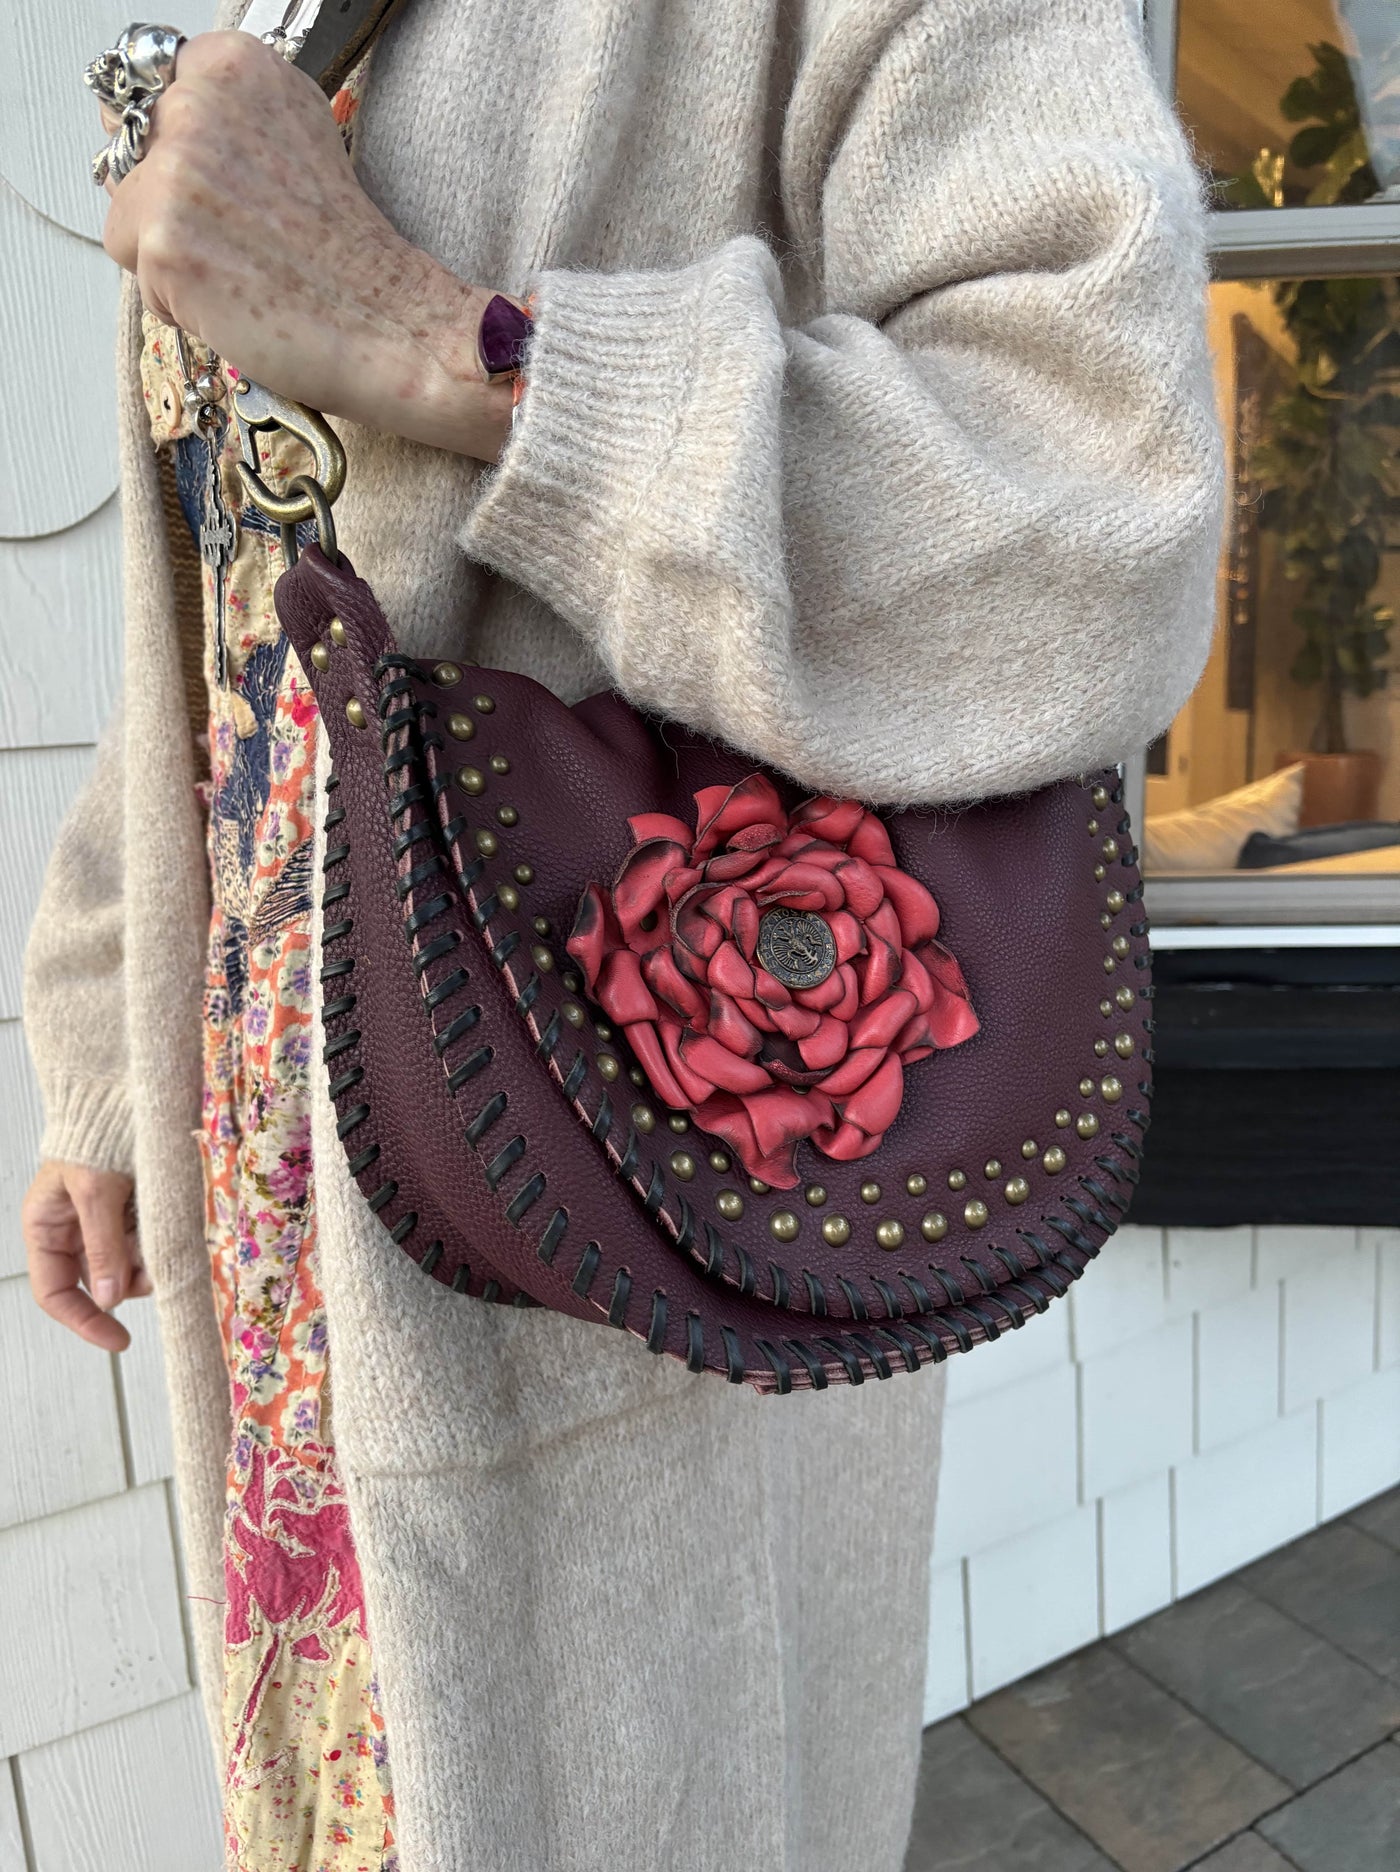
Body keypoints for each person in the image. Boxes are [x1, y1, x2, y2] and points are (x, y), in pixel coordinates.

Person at [19, 2, 1222, 1867]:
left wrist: (461, 349)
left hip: (608, 1196)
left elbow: (1095, 504)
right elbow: (248, 567)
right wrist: (108, 1020)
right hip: (278, 1185)